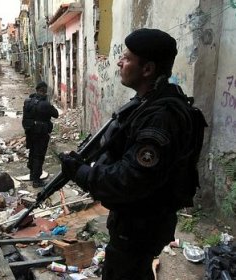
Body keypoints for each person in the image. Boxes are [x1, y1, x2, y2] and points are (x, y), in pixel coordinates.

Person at [59, 28, 207, 280]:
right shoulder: (148, 103)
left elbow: (128, 179)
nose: (119, 61)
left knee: (125, 272)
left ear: (147, 69)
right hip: (138, 222)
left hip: (142, 225)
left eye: (126, 58)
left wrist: (81, 173)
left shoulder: (160, 117)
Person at [22, 81, 59, 188]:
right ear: (44, 91)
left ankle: (32, 175)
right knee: (39, 156)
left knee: (32, 153)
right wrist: (49, 103)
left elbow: (25, 117)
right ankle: (36, 180)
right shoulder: (45, 104)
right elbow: (56, 114)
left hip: (30, 132)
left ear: (37, 90)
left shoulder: (28, 101)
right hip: (41, 134)